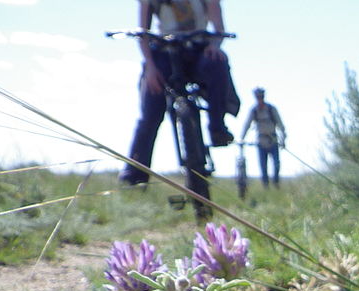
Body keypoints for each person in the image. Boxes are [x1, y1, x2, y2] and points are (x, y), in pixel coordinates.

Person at [119, 0, 241, 186]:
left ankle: (217, 127)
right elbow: (142, 32)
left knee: (218, 63)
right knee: (151, 109)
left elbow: (218, 27)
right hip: (163, 52)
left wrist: (214, 46)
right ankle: (135, 175)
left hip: (198, 50)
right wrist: (150, 67)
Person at [239, 87, 287, 187]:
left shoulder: (271, 109)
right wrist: (242, 138)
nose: (259, 98)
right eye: (257, 97)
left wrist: (283, 138)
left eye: (261, 96)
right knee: (263, 167)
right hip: (261, 142)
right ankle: (266, 187)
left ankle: (276, 184)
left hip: (273, 140)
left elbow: (280, 124)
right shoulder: (254, 110)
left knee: (276, 165)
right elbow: (247, 124)